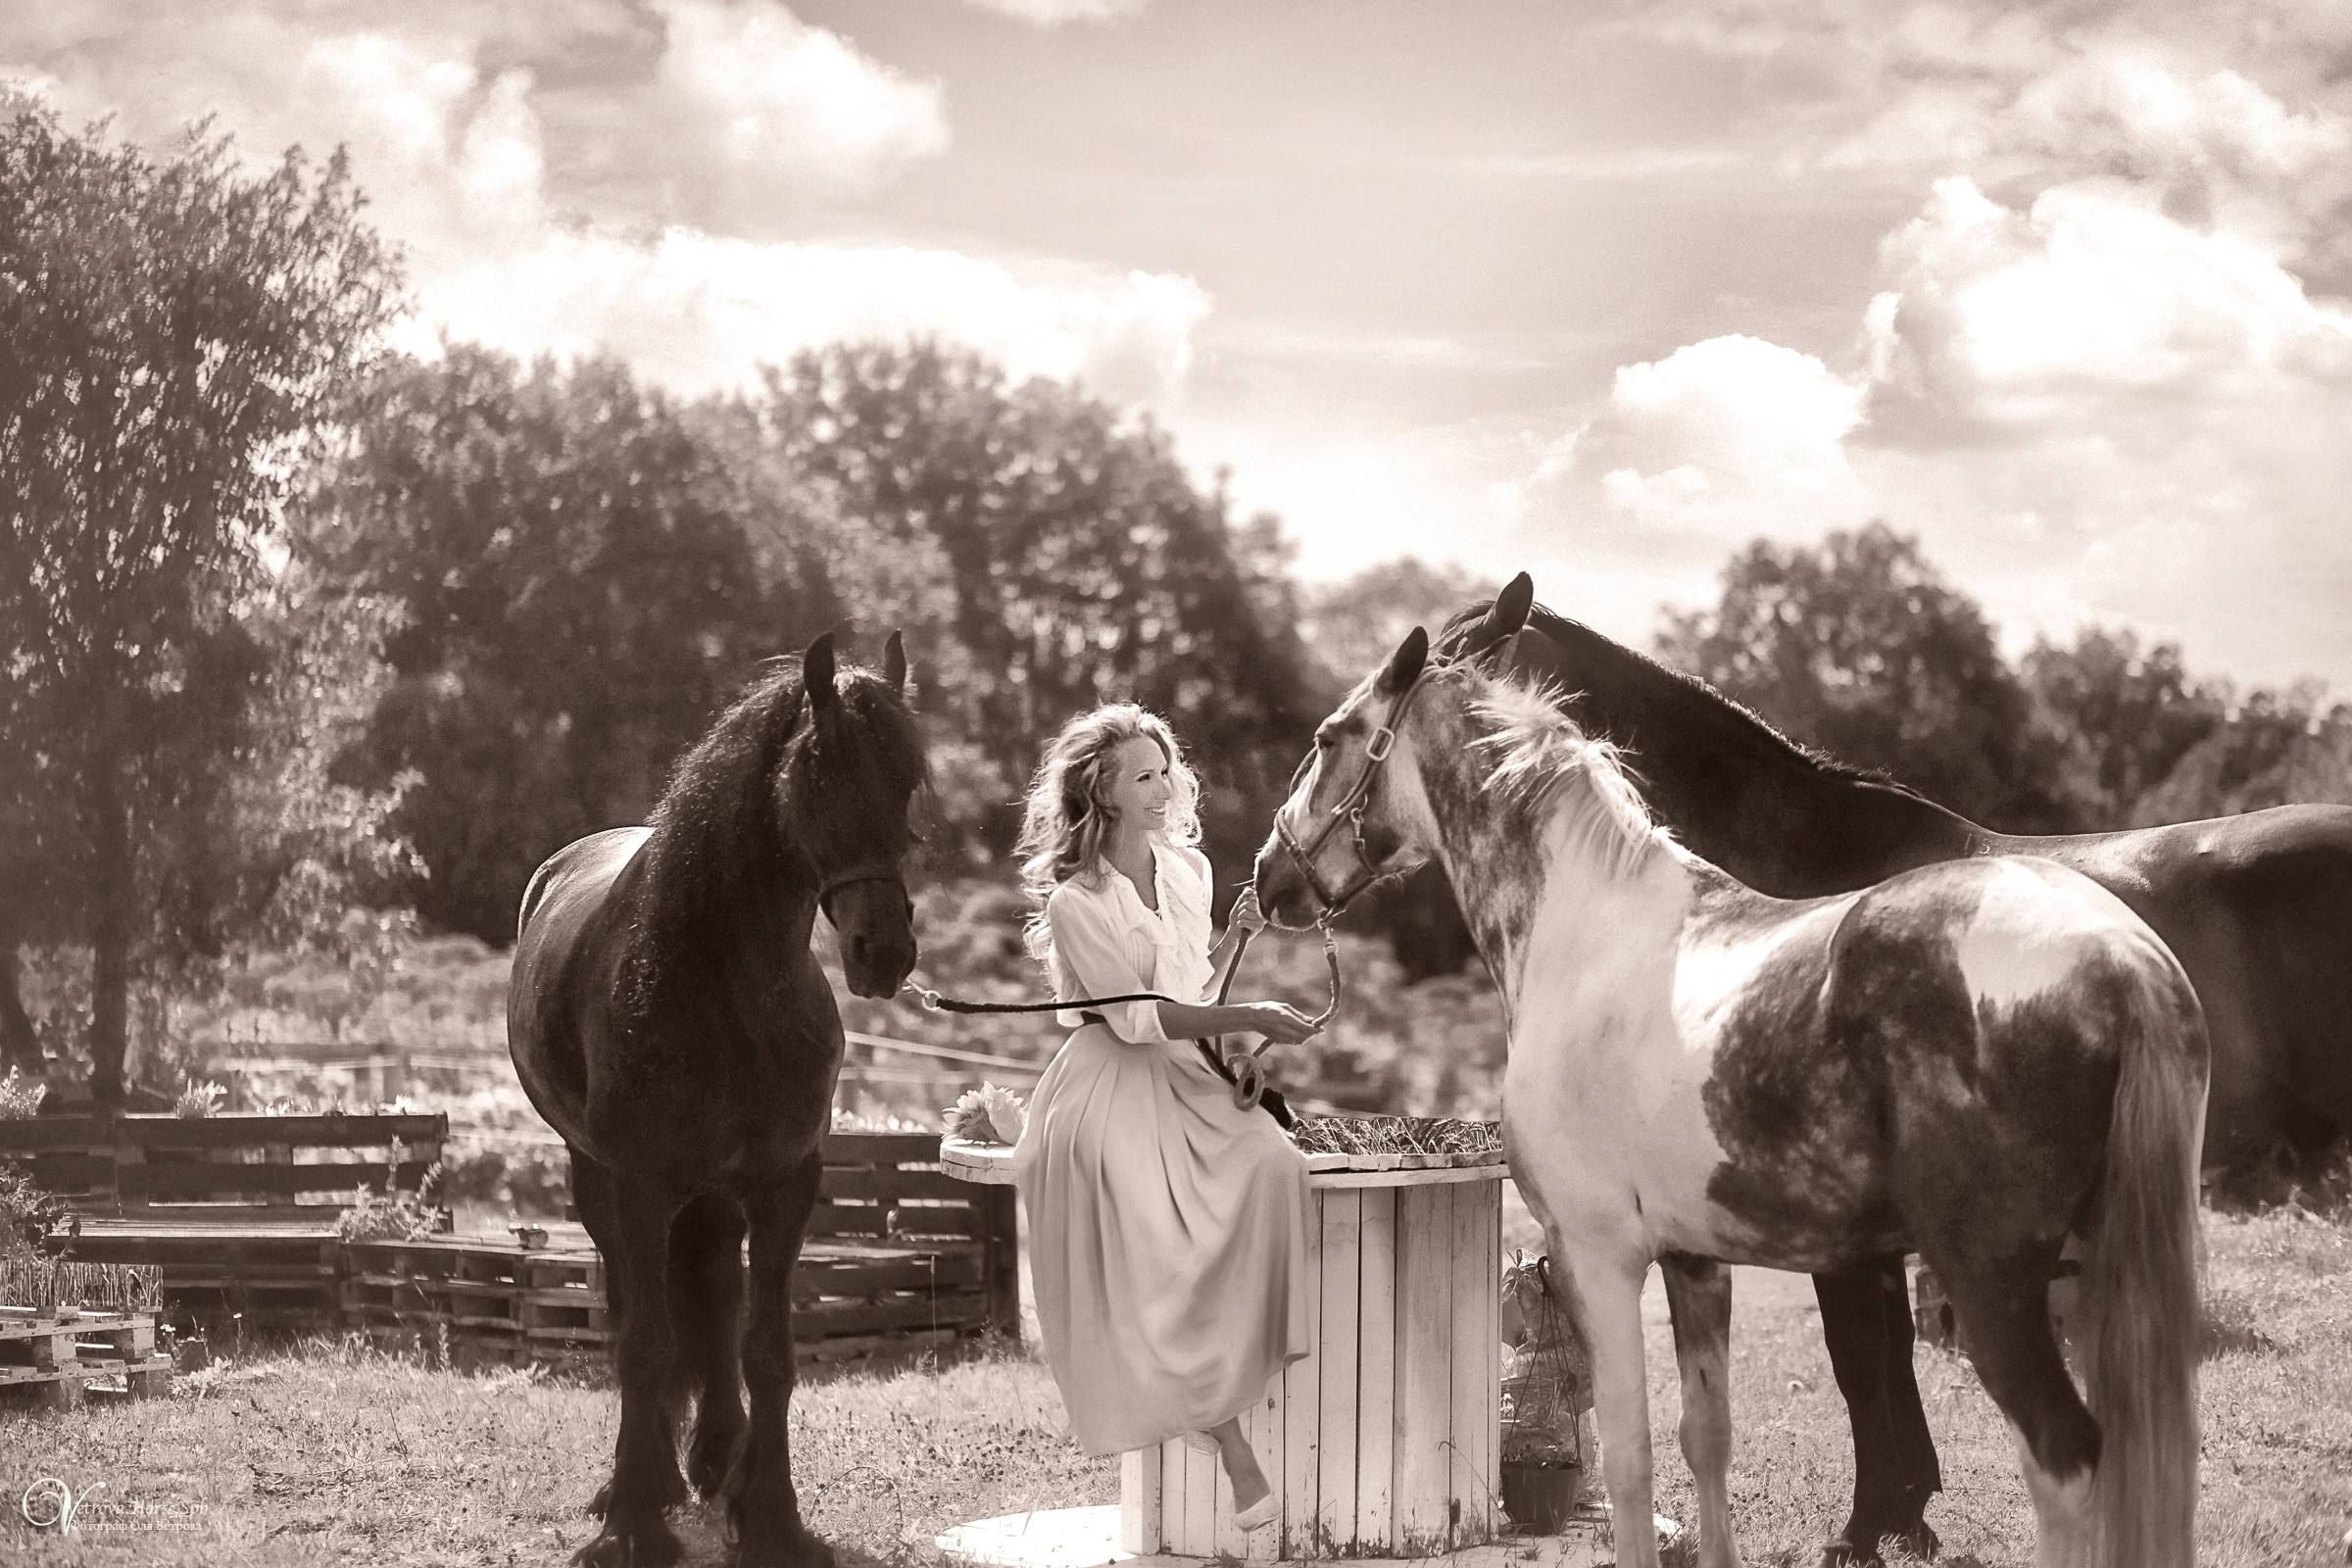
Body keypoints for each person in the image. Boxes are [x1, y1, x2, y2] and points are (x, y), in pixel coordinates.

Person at [1010, 703, 1323, 1533]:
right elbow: (1138, 1019)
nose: (1163, 787)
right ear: (1101, 795)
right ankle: (1229, 1442)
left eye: (1165, 771)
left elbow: (1192, 991)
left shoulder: (1188, 871)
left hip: (1186, 1070)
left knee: (1277, 1164)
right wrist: (1246, 1008)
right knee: (1152, 1232)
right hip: (1108, 1082)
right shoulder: (1078, 901)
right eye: (1141, 777)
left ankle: (1212, 1380)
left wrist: (1236, 977)